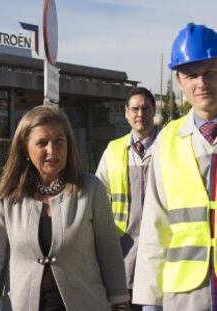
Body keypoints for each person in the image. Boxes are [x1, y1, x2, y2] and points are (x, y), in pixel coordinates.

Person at [0, 105, 130, 311]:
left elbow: (109, 252)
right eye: (42, 143)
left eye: (59, 141)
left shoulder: (91, 190)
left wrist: (120, 303)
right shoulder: (7, 197)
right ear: (25, 149)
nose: (52, 150)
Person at [133, 23, 217, 310]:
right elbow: (155, 228)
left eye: (209, 72)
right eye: (191, 75)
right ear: (179, 81)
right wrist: (149, 301)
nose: (201, 83)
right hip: (185, 295)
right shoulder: (167, 141)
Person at [96, 87, 157, 310]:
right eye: (135, 109)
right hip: (122, 253)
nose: (140, 113)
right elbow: (98, 197)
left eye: (145, 108)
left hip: (158, 251)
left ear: (153, 111)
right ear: (126, 113)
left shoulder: (168, 147)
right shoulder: (113, 150)